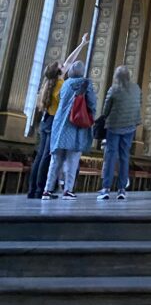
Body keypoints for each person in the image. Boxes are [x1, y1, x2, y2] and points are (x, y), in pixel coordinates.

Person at [27, 34, 89, 199]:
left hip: (45, 121)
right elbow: (66, 103)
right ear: (60, 71)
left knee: (40, 156)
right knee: (47, 156)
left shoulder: (48, 83)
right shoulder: (61, 85)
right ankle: (41, 190)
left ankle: (33, 190)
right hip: (55, 122)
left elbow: (69, 60)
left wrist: (82, 44)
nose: (65, 65)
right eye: (63, 66)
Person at [41, 61, 97, 200]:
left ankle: (47, 190)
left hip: (59, 124)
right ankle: (67, 190)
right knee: (72, 159)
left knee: (56, 159)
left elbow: (61, 99)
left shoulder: (65, 83)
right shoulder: (85, 83)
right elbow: (92, 103)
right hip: (75, 124)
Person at [97, 65, 142, 201]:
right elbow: (139, 103)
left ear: (116, 77)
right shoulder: (136, 88)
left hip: (114, 127)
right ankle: (122, 189)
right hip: (130, 127)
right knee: (124, 157)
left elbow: (106, 110)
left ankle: (106, 189)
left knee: (110, 157)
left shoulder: (114, 89)